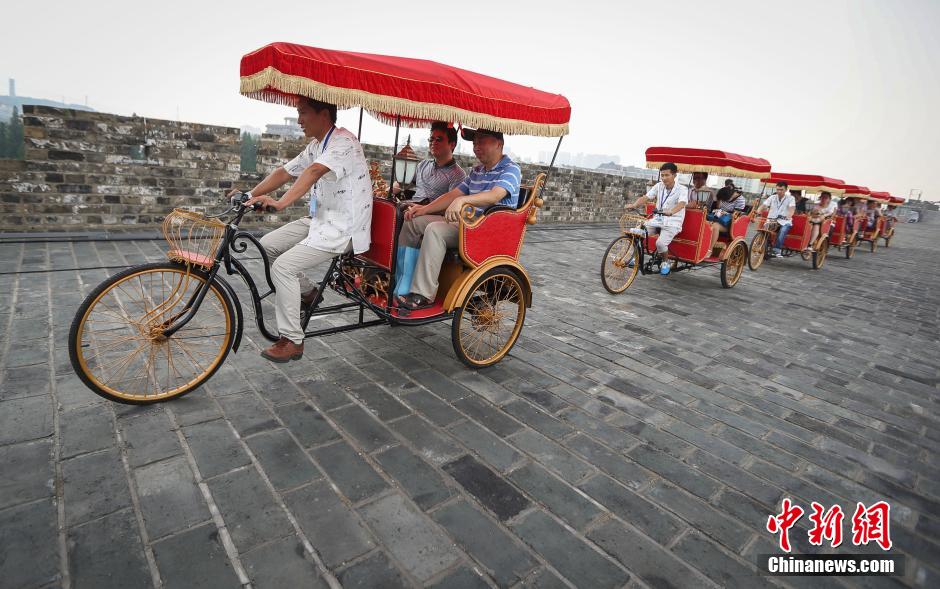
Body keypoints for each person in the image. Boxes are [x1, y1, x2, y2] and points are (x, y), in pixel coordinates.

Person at [238, 97, 372, 362]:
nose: (299, 120)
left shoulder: (344, 142)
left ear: (324, 114)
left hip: (344, 227)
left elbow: (313, 172)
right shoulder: (315, 146)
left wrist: (280, 203)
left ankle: (292, 340)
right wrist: (248, 194)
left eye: (303, 113)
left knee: (283, 267)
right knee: (266, 246)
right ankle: (309, 292)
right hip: (321, 220)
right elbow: (284, 172)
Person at [396, 127, 521, 311]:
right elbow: (453, 194)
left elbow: (495, 195)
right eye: (474, 142)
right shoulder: (477, 171)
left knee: (435, 230)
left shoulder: (511, 169)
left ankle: (423, 293)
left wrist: (463, 200)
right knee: (412, 221)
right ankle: (403, 282)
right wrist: (423, 209)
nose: (476, 146)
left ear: (499, 144)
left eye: (482, 141)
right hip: (466, 225)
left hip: (484, 231)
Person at [391, 122, 467, 297]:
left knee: (410, 219)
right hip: (412, 205)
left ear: (452, 144)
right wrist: (387, 190)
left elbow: (450, 206)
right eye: (431, 139)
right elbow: (404, 181)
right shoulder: (423, 165)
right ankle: (386, 271)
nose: (433, 142)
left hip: (434, 214)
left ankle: (405, 281)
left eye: (439, 139)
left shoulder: (458, 175)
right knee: (388, 212)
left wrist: (423, 209)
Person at [624, 162, 689, 275]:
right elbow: (646, 197)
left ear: (674, 175)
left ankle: (665, 261)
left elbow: (682, 203)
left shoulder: (682, 189)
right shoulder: (659, 186)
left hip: (673, 222)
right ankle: (636, 257)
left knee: (660, 244)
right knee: (638, 232)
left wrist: (671, 211)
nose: (664, 178)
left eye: (667, 175)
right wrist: (634, 205)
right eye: (662, 175)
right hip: (657, 220)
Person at [757, 181, 796, 257]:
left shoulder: (791, 198)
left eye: (781, 189)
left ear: (786, 189)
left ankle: (777, 250)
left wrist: (789, 215)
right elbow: (764, 205)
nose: (779, 191)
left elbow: (792, 208)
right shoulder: (772, 197)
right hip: (772, 220)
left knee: (783, 230)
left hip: (785, 221)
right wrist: (758, 211)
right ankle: (762, 245)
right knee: (764, 229)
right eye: (777, 189)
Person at [706, 185, 746, 251]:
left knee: (715, 226)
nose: (723, 201)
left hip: (730, 224)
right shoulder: (725, 195)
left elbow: (736, 216)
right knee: (706, 223)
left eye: (723, 200)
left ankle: (709, 250)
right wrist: (718, 210)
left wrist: (725, 213)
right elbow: (719, 207)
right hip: (719, 218)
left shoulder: (740, 200)